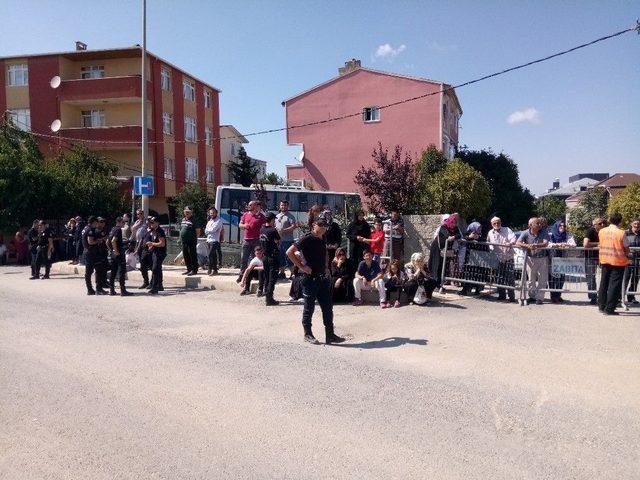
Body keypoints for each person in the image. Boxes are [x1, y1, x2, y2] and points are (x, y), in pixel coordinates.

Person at [287, 218, 346, 345]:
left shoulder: (322, 238)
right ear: (314, 225)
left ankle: (330, 335)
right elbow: (289, 252)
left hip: (322, 278)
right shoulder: (307, 238)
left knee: (328, 307)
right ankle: (307, 334)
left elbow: (324, 253)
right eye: (321, 225)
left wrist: (326, 268)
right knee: (309, 308)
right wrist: (302, 267)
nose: (324, 228)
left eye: (325, 226)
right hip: (310, 279)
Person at [597, 213, 630, 315]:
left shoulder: (601, 231)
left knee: (604, 284)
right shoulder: (621, 233)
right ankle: (609, 309)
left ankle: (601, 306)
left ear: (610, 220)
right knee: (614, 286)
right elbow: (626, 248)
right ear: (620, 221)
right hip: (617, 261)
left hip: (604, 260)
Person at [516, 217, 549, 305]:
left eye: (540, 223)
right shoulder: (525, 233)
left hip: (542, 258)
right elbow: (518, 242)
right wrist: (527, 245)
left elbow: (546, 243)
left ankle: (540, 298)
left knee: (542, 279)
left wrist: (536, 245)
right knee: (531, 279)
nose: (539, 225)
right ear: (531, 225)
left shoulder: (544, 231)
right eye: (537, 223)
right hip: (530, 258)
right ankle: (532, 296)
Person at [486, 216, 518, 302]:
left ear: (501, 223)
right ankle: (502, 295)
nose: (496, 224)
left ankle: (512, 297)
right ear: (492, 224)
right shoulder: (490, 232)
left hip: (508, 257)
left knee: (510, 278)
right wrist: (491, 249)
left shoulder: (507, 229)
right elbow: (488, 242)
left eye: (498, 223)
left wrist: (510, 243)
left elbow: (513, 238)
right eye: (494, 223)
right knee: (498, 277)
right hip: (497, 258)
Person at [428, 213, 461, 287]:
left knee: (442, 266)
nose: (453, 224)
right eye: (452, 222)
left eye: (455, 223)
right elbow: (447, 235)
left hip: (445, 249)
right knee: (437, 265)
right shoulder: (443, 227)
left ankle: (439, 284)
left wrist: (454, 237)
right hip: (437, 247)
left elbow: (459, 235)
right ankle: (435, 284)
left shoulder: (455, 228)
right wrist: (452, 237)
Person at [237, 200, 266, 283]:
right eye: (248, 205)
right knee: (244, 258)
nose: (248, 206)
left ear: (255, 206)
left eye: (250, 205)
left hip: (256, 240)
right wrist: (244, 226)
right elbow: (240, 225)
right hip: (246, 239)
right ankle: (241, 275)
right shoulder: (245, 214)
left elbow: (265, 225)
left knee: (255, 258)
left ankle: (254, 275)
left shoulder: (261, 216)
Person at [548, 220, 576, 304]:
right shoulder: (551, 235)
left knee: (561, 278)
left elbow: (573, 244)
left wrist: (566, 244)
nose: (562, 227)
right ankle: (553, 296)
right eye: (560, 226)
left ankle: (558, 295)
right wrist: (558, 245)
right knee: (553, 278)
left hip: (563, 259)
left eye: (564, 226)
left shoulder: (567, 235)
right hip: (552, 259)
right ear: (556, 226)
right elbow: (547, 244)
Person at [459, 221, 486, 296]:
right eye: (478, 228)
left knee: (478, 275)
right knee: (468, 274)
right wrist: (470, 238)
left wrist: (478, 239)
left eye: (480, 228)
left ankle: (478, 289)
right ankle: (465, 289)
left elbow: (485, 245)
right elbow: (462, 241)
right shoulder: (467, 234)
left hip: (479, 259)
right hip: (468, 258)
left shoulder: (481, 236)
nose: (479, 229)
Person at [260, 212, 281, 306]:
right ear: (272, 220)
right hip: (272, 256)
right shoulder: (273, 230)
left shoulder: (262, 229)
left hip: (264, 257)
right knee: (272, 278)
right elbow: (278, 240)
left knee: (267, 277)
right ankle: (269, 298)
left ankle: (266, 294)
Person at [108, 216, 133, 296]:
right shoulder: (118, 230)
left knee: (113, 272)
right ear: (119, 222)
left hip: (113, 254)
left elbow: (107, 242)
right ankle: (123, 291)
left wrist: (111, 250)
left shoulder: (112, 229)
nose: (124, 224)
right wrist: (116, 251)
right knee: (121, 272)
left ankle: (111, 290)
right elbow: (113, 241)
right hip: (118, 254)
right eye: (123, 222)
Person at [583, 217, 604, 305]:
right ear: (594, 224)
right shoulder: (590, 231)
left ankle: (603, 297)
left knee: (604, 278)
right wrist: (598, 244)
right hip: (590, 257)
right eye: (600, 224)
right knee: (591, 278)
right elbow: (585, 244)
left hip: (602, 257)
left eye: (603, 223)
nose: (602, 225)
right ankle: (593, 297)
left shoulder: (604, 231)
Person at [83, 216, 105, 295]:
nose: (97, 224)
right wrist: (98, 241)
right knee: (98, 270)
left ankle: (91, 289)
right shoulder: (90, 230)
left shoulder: (85, 228)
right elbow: (90, 242)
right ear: (94, 222)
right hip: (92, 253)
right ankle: (97, 289)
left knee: (89, 272)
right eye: (96, 223)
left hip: (88, 252)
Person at [275, 200, 297, 279]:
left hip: (288, 240)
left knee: (289, 257)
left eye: (284, 205)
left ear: (287, 206)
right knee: (280, 257)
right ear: (279, 206)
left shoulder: (290, 216)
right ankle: (282, 273)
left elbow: (293, 226)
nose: (283, 207)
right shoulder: (277, 216)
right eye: (281, 205)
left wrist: (283, 230)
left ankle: (292, 273)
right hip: (279, 241)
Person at [146, 216, 167, 295]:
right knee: (157, 268)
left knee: (155, 269)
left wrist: (152, 244)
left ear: (157, 223)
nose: (151, 223)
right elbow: (155, 242)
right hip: (155, 252)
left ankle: (154, 288)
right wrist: (151, 246)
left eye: (152, 222)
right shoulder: (153, 231)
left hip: (160, 253)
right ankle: (160, 285)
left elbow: (162, 244)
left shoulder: (160, 231)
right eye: (150, 222)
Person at [180, 206, 201, 276]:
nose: (187, 213)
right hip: (184, 241)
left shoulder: (194, 220)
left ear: (191, 212)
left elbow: (198, 231)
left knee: (192, 255)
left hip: (191, 241)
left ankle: (194, 270)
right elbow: (182, 229)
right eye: (186, 212)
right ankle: (189, 269)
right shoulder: (183, 219)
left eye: (188, 212)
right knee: (186, 255)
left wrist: (195, 239)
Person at [624, 218, 640, 304]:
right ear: (631, 224)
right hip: (627, 260)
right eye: (635, 224)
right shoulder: (626, 233)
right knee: (625, 278)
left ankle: (631, 296)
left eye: (638, 224)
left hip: (638, 260)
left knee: (635, 279)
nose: (637, 225)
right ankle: (621, 296)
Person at [204, 207, 224, 275]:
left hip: (215, 240)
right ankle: (215, 270)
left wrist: (209, 230)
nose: (212, 214)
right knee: (213, 256)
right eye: (210, 213)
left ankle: (210, 268)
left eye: (213, 213)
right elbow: (205, 231)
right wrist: (209, 230)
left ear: (216, 213)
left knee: (210, 255)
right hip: (209, 240)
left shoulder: (219, 220)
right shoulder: (210, 221)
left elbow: (213, 229)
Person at [94, 217, 110, 292]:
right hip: (98, 252)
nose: (102, 223)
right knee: (99, 269)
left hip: (104, 250)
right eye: (101, 221)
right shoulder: (96, 230)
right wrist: (103, 238)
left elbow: (107, 238)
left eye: (103, 221)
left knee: (105, 267)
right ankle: (99, 285)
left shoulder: (105, 229)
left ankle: (104, 282)